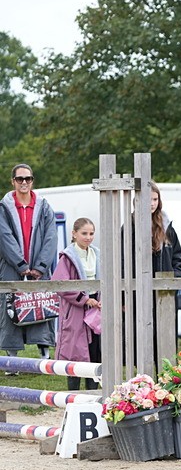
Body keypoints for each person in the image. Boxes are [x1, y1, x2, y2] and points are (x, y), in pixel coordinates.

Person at [0, 164, 57, 363]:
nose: (24, 182)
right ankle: (11, 360)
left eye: (28, 179)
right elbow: (4, 237)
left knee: (42, 305)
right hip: (11, 266)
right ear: (12, 181)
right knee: (10, 309)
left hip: (38, 268)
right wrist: (21, 265)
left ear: (32, 180)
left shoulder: (44, 206)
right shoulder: (4, 207)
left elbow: (51, 237)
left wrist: (41, 266)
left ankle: (45, 356)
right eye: (20, 179)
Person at [52, 218, 101, 391]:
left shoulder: (97, 254)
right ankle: (73, 395)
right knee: (75, 352)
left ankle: (93, 395)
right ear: (74, 234)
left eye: (91, 233)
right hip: (75, 309)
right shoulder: (67, 257)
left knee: (94, 352)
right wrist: (84, 299)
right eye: (84, 233)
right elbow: (60, 284)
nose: (88, 237)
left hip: (96, 308)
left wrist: (100, 298)